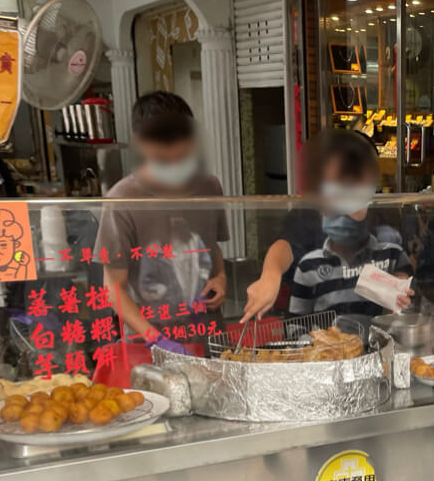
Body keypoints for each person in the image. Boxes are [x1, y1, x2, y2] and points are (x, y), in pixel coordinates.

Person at [96, 92, 229, 355]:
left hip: (207, 333)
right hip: (149, 340)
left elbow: (212, 248)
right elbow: (113, 287)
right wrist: (156, 339)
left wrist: (221, 279)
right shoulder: (122, 200)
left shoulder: (208, 185)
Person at [244, 129, 411, 322]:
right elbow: (283, 247)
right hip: (314, 332)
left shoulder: (382, 210)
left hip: (372, 328)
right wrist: (270, 276)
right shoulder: (310, 212)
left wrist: (398, 281)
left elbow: (399, 260)